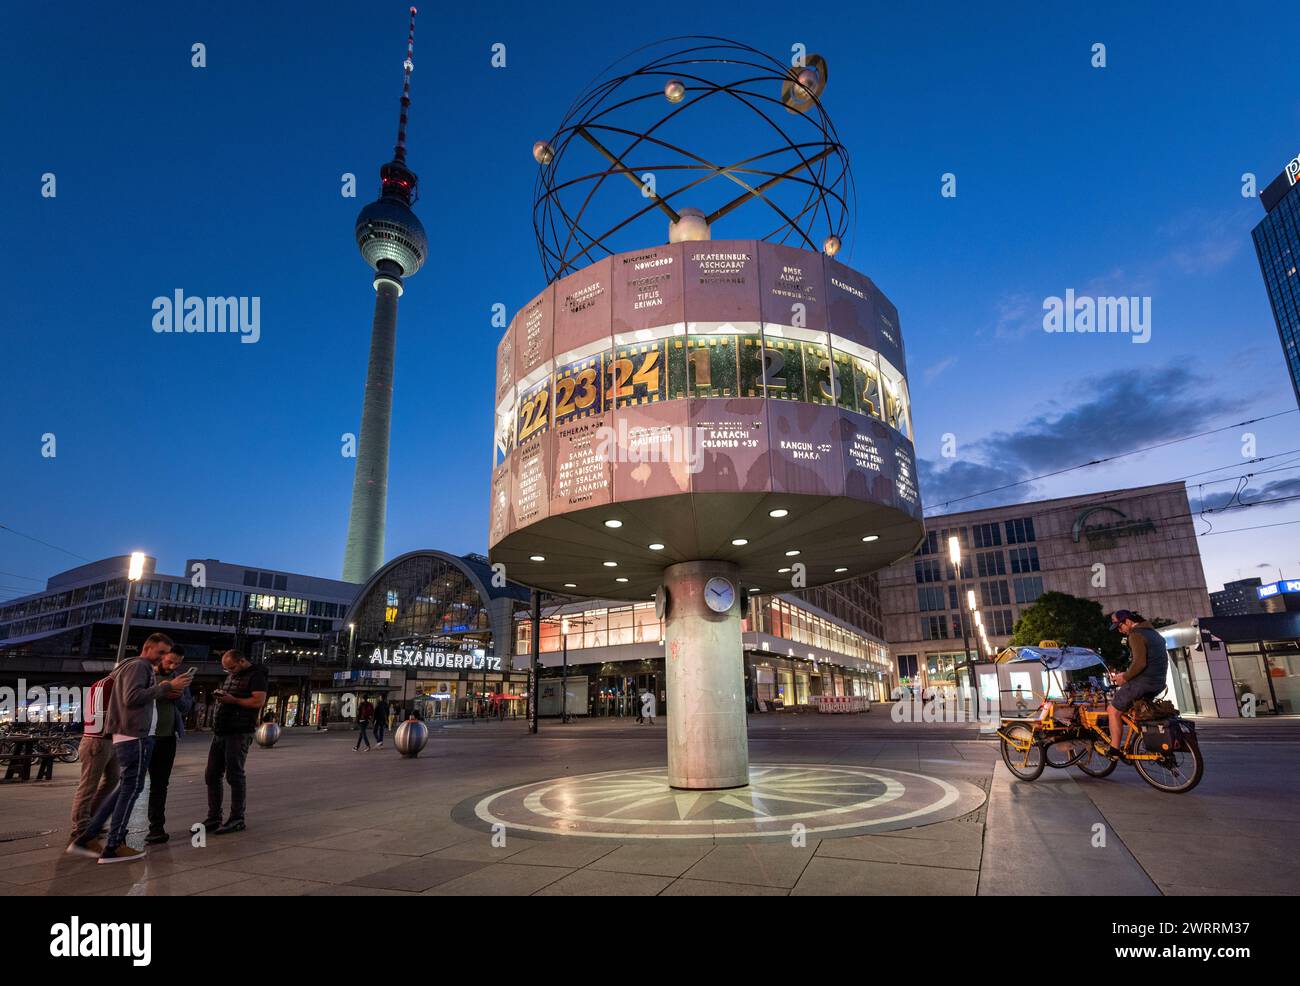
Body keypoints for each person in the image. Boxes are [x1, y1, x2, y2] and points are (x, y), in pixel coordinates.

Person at [68, 633, 190, 863]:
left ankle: (88, 836)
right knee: (130, 790)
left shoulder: (132, 667)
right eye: (162, 653)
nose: (165, 659)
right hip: (136, 736)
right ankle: (113, 845)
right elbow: (131, 698)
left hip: (135, 735)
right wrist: (166, 687)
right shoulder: (140, 666)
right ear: (148, 648)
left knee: (125, 788)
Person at [203, 650, 268, 835]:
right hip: (221, 731)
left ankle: (237, 818)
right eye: (226, 670)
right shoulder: (234, 675)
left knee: (235, 775)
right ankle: (214, 816)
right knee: (212, 774)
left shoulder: (257, 675)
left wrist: (233, 700)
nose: (229, 672)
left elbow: (258, 701)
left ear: (242, 660)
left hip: (239, 732)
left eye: (231, 667)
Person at [1097, 610, 1170, 759]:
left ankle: (1114, 750)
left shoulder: (1135, 634)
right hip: (1158, 682)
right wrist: (1126, 674)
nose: (1119, 630)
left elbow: (1140, 663)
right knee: (1133, 712)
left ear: (1128, 621)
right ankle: (1135, 741)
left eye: (1120, 626)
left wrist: (1125, 677)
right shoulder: (1154, 634)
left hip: (1143, 683)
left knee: (1113, 710)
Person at [146, 645, 194, 844]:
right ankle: (121, 828)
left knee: (160, 784)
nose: (173, 665)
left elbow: (185, 707)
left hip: (167, 738)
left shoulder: (180, 679)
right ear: (161, 657)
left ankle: (156, 827)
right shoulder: (146, 675)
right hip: (144, 736)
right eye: (170, 661)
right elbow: (134, 699)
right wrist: (163, 690)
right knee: (133, 783)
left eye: (178, 663)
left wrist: (179, 695)